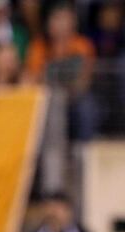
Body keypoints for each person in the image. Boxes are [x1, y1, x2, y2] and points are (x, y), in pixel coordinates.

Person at [25, 3, 98, 140]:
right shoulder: (39, 46)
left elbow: (84, 82)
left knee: (87, 107)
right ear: (48, 24)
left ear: (73, 23)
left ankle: (83, 150)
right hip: (48, 98)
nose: (62, 24)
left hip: (75, 97)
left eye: (66, 19)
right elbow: (32, 79)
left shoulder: (83, 45)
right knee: (49, 106)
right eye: (57, 19)